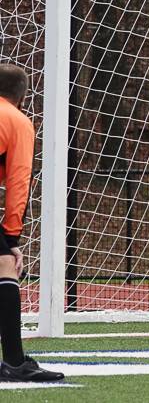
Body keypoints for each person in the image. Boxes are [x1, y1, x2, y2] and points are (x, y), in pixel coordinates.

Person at [0, 64, 64, 382]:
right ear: (22, 97)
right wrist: (11, 238)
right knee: (4, 267)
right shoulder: (18, 121)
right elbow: (18, 181)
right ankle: (13, 361)